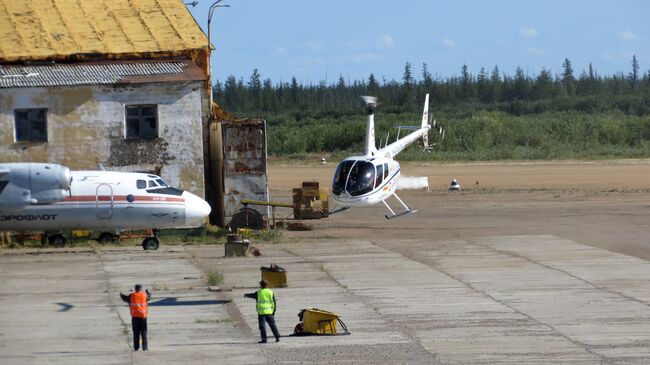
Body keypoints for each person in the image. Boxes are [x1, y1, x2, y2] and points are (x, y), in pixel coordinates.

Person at [120, 284, 151, 351]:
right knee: (144, 332)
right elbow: (149, 297)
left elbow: (125, 298)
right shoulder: (144, 295)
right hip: (143, 317)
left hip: (135, 317)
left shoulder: (132, 296)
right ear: (141, 289)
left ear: (135, 289)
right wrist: (148, 292)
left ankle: (136, 347)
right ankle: (145, 347)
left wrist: (121, 294)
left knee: (136, 333)